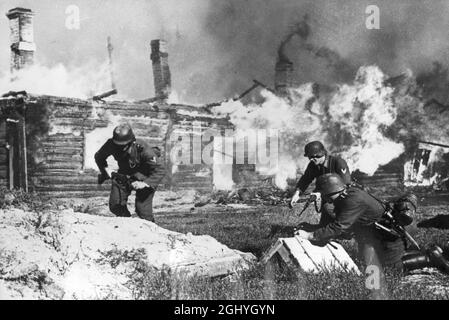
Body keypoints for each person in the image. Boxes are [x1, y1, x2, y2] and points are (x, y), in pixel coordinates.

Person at [295, 173, 449, 278]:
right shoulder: (348, 195)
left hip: (393, 234)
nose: (322, 197)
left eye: (322, 193)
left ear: (329, 192)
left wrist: (310, 236)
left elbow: (338, 227)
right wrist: (312, 228)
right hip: (380, 234)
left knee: (387, 271)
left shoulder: (351, 201)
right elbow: (344, 229)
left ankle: (430, 257)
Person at [95, 123, 166, 222]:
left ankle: (151, 232)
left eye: (123, 146)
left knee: (143, 211)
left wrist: (145, 183)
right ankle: (128, 225)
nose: (119, 149)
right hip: (125, 174)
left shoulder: (143, 149)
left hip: (145, 176)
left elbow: (160, 169)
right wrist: (106, 171)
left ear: (131, 143)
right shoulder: (111, 144)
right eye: (117, 145)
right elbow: (99, 157)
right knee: (115, 205)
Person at [290, 141, 352, 226]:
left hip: (343, 198)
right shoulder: (313, 165)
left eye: (313, 157)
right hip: (327, 198)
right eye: (309, 157)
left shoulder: (338, 162)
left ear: (320, 154)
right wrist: (297, 194)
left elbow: (346, 184)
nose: (311, 159)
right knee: (324, 226)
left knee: (341, 224)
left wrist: (319, 193)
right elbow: (305, 179)